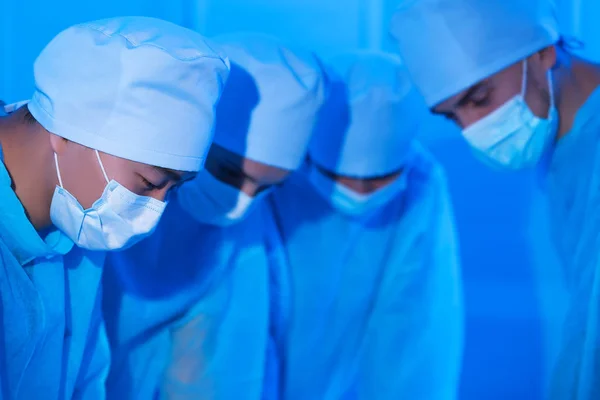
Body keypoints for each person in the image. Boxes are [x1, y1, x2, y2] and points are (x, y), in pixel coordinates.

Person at [0, 16, 229, 399]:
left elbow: (84, 381)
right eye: (150, 183)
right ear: (67, 130)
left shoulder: (76, 222)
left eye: (173, 189)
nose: (153, 213)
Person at [390, 0, 600, 398]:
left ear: (542, 51)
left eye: (479, 97)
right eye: (451, 116)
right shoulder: (568, 149)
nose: (472, 129)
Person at [101, 32, 327, 399]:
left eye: (266, 187)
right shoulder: (97, 183)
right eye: (229, 172)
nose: (240, 204)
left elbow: (220, 372)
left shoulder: (238, 239)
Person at [264, 51, 464, 399]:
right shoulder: (275, 169)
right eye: (337, 177)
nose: (357, 192)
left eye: (377, 181)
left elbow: (416, 329)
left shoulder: (421, 185)